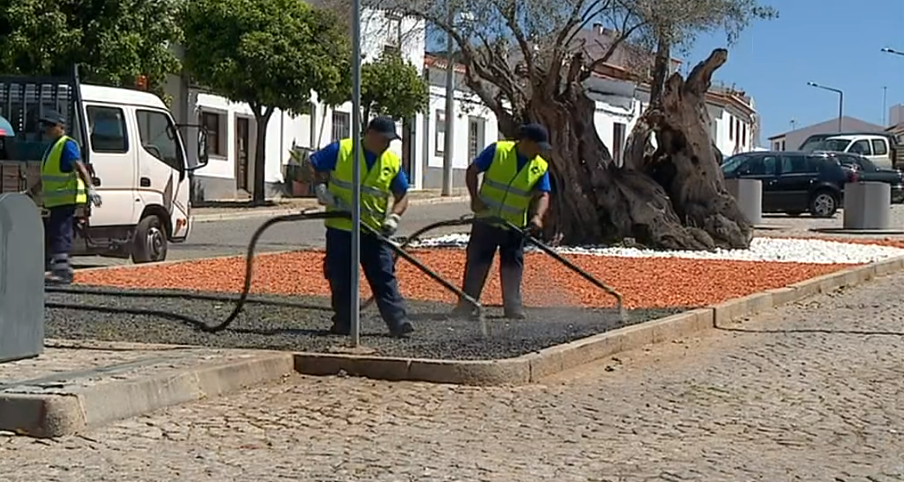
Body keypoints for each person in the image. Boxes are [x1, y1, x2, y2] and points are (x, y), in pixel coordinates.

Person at [310, 116, 414, 337]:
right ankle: (345, 324)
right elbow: (312, 164)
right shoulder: (342, 149)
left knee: (384, 276)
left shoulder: (391, 161)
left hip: (374, 231)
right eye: (384, 139)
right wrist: (320, 188)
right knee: (342, 277)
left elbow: (402, 195)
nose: (387, 144)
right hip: (342, 229)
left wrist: (394, 217)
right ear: (369, 134)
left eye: (390, 140)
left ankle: (399, 323)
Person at [452, 123, 552, 320]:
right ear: (526, 141)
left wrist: (537, 217)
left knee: (513, 265)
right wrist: (475, 199)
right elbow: (473, 170)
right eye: (537, 147)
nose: (539, 152)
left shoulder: (540, 166)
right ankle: (467, 305)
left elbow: (543, 194)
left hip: (514, 226)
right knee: (477, 264)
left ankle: (513, 307)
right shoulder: (498, 150)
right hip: (486, 220)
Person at [24, 111, 102, 284]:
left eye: (51, 126)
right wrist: (31, 193)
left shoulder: (67, 145)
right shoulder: (54, 146)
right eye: (45, 126)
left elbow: (80, 167)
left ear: (61, 127)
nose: (47, 130)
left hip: (66, 199)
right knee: (56, 233)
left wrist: (90, 188)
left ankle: (63, 272)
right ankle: (60, 269)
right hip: (56, 200)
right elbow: (47, 176)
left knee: (61, 233)